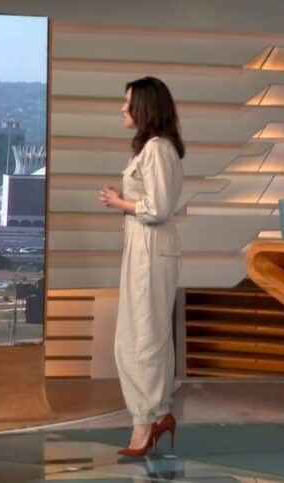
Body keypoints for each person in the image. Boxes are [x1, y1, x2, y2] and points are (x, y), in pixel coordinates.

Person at [98, 76, 184, 456]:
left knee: (145, 337)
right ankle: (153, 415)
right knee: (134, 336)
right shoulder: (147, 149)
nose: (122, 109)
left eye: (128, 102)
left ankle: (147, 420)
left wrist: (119, 202)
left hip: (150, 248)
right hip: (140, 248)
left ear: (145, 107)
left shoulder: (158, 149)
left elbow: (159, 208)